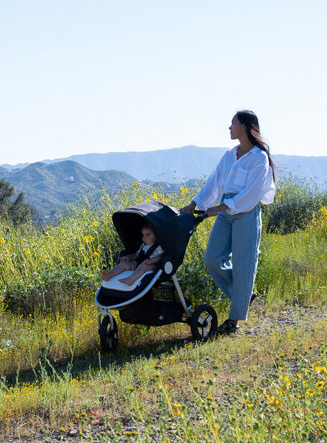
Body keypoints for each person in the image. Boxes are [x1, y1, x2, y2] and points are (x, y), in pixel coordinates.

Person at [180, 110, 275, 334]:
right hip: (225, 212)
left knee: (244, 264)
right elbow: (214, 182)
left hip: (246, 213)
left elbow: (252, 193)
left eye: (233, 123)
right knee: (212, 258)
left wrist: (221, 207)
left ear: (244, 126)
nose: (229, 127)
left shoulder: (259, 157)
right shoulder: (229, 155)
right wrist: (195, 203)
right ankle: (244, 295)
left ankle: (234, 321)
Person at [101, 224, 164, 290]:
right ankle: (110, 274)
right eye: (143, 235)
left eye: (147, 235)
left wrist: (151, 261)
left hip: (152, 265)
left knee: (144, 265)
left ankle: (130, 280)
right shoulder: (143, 245)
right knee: (124, 264)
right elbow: (136, 255)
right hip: (140, 262)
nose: (144, 238)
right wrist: (129, 257)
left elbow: (160, 256)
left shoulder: (159, 247)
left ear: (156, 235)